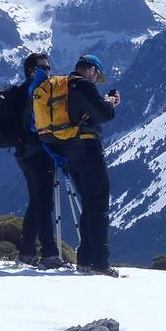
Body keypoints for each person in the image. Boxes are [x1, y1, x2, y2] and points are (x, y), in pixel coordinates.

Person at [58, 54, 121, 277]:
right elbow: (104, 115)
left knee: (88, 203)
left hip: (69, 152)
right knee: (99, 203)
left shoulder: (63, 86)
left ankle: (85, 259)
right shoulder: (83, 85)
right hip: (88, 149)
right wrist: (110, 103)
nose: (97, 80)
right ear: (92, 70)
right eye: (98, 75)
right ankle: (100, 263)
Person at [14, 52, 64, 268]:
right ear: (31, 71)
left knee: (36, 202)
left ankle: (26, 251)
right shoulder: (35, 92)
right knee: (44, 204)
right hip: (40, 153)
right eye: (43, 68)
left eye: (49, 67)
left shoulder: (20, 91)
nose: (47, 71)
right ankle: (49, 254)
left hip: (24, 154)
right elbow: (38, 126)